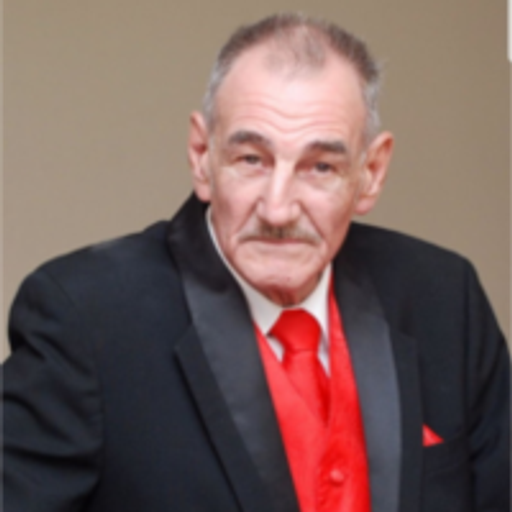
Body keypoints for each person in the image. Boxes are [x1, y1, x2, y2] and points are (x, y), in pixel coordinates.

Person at [0, 12, 511, 512]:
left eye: (320, 167)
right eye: (252, 160)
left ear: (371, 173)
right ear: (202, 155)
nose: (278, 209)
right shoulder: (83, 320)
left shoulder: (446, 299)